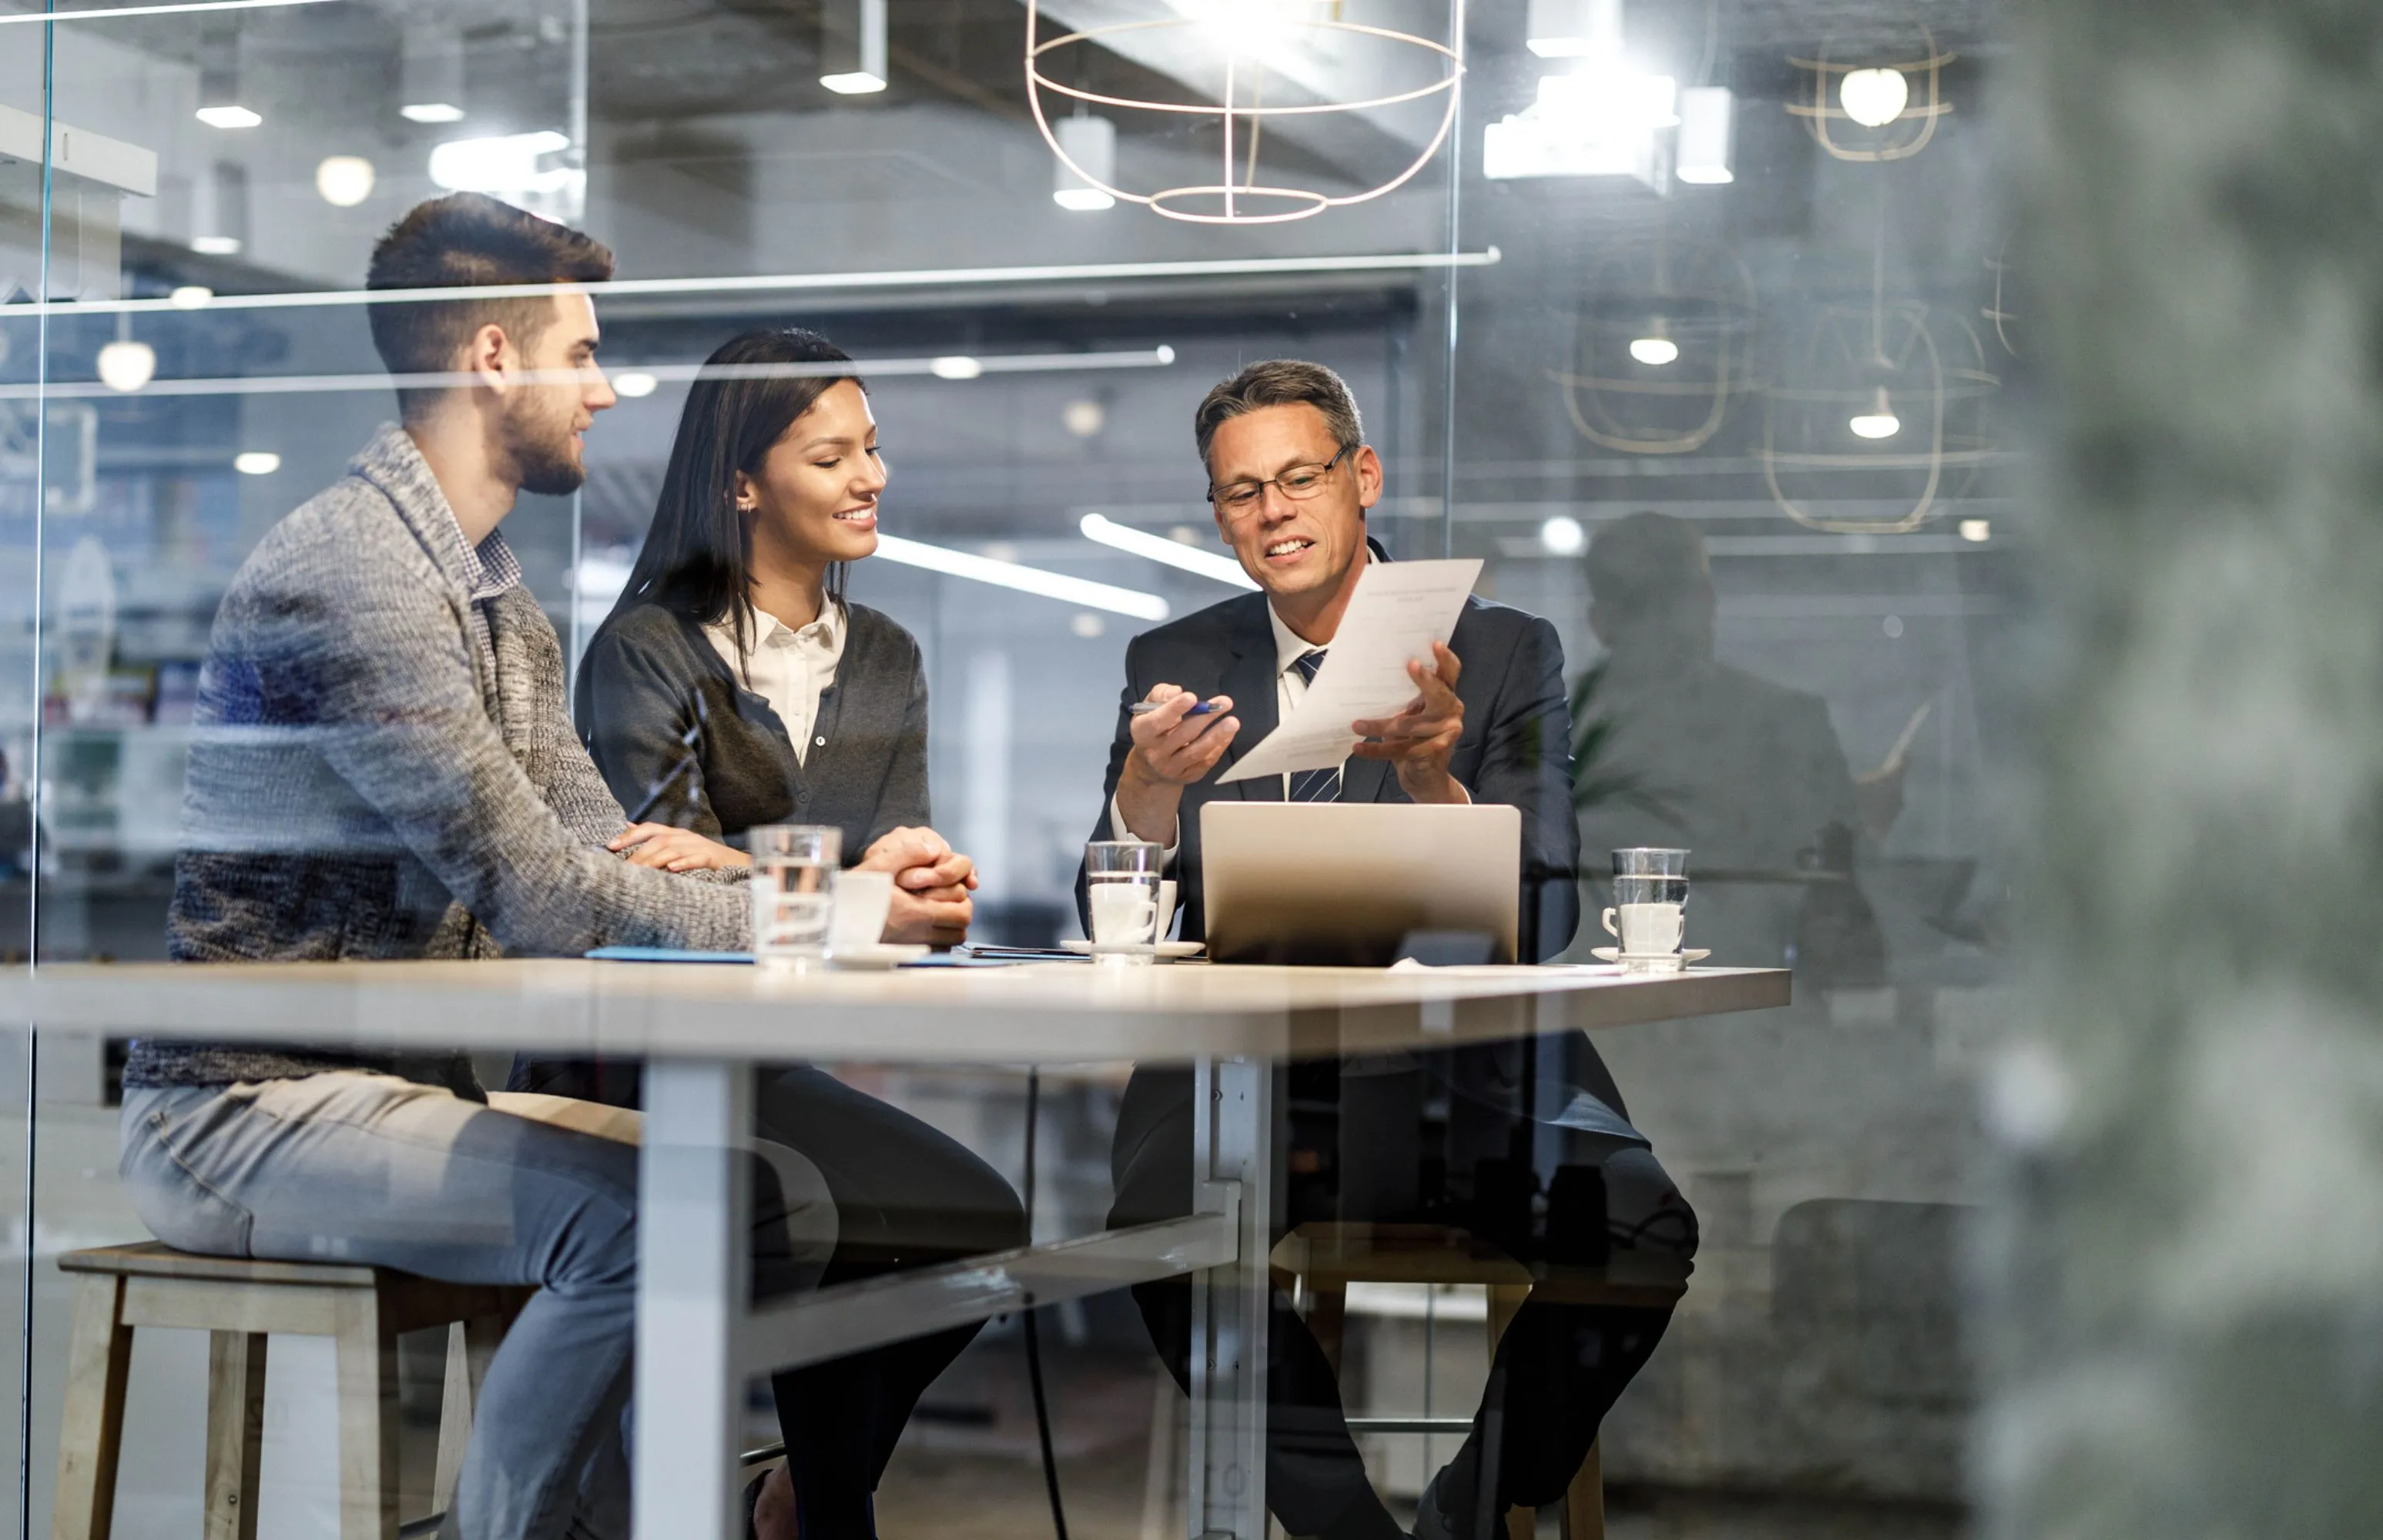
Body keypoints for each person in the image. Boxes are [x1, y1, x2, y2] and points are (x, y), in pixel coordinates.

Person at [115, 194, 829, 1540]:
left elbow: (587, 847)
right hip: (239, 1113)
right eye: (583, 352)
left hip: (380, 1092)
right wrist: (815, 909)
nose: (606, 391)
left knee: (719, 1184)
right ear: (494, 358)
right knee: (628, 1223)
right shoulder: (353, 575)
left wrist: (791, 901)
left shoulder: (495, 598)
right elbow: (545, 896)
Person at [1088, 360, 1699, 1540]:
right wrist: (1141, 793)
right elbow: (1110, 903)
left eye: (1300, 477)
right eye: (1240, 492)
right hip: (1248, 1080)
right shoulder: (1172, 657)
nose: (1272, 512)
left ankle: (1461, 1524)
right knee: (1159, 1240)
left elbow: (1541, 911)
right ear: (1217, 513)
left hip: (1461, 1074)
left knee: (1640, 1228)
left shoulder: (1502, 650)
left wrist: (1433, 781)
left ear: (1361, 477)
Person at [511, 325, 1025, 1540]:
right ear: (742, 481)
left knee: (977, 1225)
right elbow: (658, 898)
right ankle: (814, 1519)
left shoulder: (887, 656)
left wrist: (831, 881)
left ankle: (791, 1503)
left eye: (874, 451)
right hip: (637, 1056)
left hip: (768, 1064)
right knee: (876, 1227)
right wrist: (848, 885)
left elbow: (906, 912)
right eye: (831, 456)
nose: (870, 477)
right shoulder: (646, 650)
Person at [1572, 511, 1889, 977]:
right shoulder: (1788, 719)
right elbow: (1844, 880)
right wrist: (1873, 818)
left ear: (1600, 620)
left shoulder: (1549, 722)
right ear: (1706, 600)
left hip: (1589, 1006)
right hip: (1748, 1003)